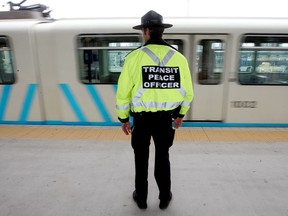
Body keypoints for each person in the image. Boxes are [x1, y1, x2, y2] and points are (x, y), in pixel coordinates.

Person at [115, 10, 194, 210]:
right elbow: (188, 93)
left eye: (143, 30)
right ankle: (164, 197)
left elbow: (123, 93)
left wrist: (124, 119)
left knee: (141, 160)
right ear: (162, 30)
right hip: (165, 120)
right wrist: (180, 115)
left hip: (141, 120)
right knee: (163, 157)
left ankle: (141, 199)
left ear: (147, 30)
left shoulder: (134, 58)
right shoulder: (179, 59)